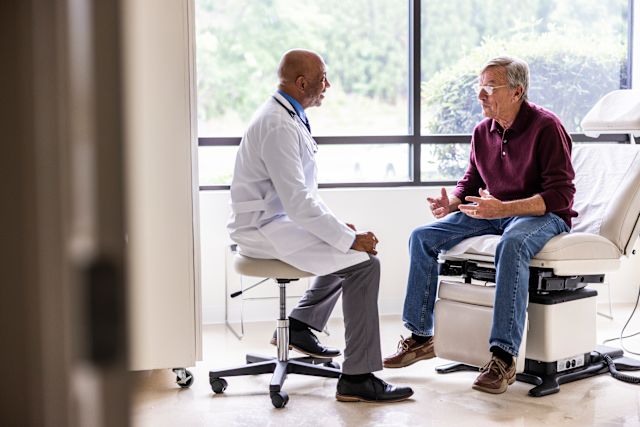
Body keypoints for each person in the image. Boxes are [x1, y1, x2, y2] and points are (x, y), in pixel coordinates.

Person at [227, 49, 413, 403]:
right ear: (301, 83)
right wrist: (347, 237)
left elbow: (301, 195)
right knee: (363, 264)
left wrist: (340, 231)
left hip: (274, 221)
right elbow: (298, 202)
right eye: (322, 78)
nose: (327, 85)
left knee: (343, 247)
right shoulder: (277, 124)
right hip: (262, 228)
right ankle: (357, 377)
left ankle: (300, 324)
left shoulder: (286, 116)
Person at [383, 56, 576, 394]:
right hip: (494, 212)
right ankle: (421, 337)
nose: (480, 95)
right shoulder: (482, 131)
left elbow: (561, 195)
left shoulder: (547, 127)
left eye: (490, 87)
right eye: (480, 87)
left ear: (516, 92)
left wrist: (504, 208)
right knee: (422, 237)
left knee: (512, 244)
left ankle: (503, 357)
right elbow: (472, 180)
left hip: (543, 216)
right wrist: (452, 202)